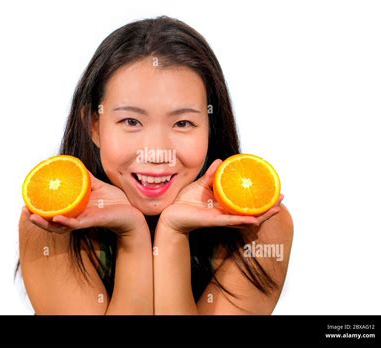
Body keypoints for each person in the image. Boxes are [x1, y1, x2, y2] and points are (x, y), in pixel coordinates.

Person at [17, 15, 293, 315]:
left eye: (183, 122)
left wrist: (173, 234)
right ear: (94, 126)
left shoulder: (260, 224)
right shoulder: (52, 219)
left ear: (210, 127)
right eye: (131, 121)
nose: (157, 151)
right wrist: (132, 235)